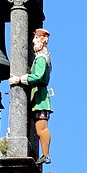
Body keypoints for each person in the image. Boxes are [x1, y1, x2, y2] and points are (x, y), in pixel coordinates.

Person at [10, 28, 53, 164]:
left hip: (40, 98)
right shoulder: (41, 56)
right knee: (36, 128)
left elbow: (38, 76)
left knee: (41, 128)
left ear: (42, 41)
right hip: (36, 96)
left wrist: (20, 79)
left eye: (36, 38)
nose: (33, 41)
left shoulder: (41, 58)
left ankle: (46, 155)